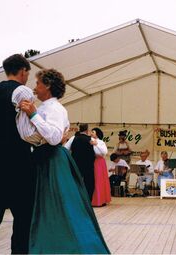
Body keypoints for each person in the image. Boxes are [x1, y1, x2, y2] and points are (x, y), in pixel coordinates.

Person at [19, 69, 109, 253]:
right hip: (42, 158)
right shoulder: (44, 107)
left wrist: (33, 115)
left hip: (51, 160)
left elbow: (53, 137)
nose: (35, 87)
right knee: (47, 208)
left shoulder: (56, 109)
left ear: (48, 85)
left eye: (38, 83)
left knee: (60, 208)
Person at [0, 54, 34, 254]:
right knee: (22, 220)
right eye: (27, 73)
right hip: (19, 165)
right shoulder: (22, 92)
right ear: (23, 71)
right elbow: (28, 130)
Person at [64, 123, 96, 200]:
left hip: (76, 164)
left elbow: (65, 148)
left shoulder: (73, 138)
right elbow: (99, 152)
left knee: (75, 182)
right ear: (87, 130)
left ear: (79, 129)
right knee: (89, 183)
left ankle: (75, 200)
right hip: (88, 165)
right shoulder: (91, 139)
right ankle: (88, 201)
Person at [91, 127, 111, 207]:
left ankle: (101, 200)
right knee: (93, 180)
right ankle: (94, 200)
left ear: (97, 133)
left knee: (99, 180)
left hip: (99, 161)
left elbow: (104, 152)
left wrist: (96, 145)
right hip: (92, 160)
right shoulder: (89, 141)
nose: (91, 133)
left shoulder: (101, 142)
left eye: (93, 132)